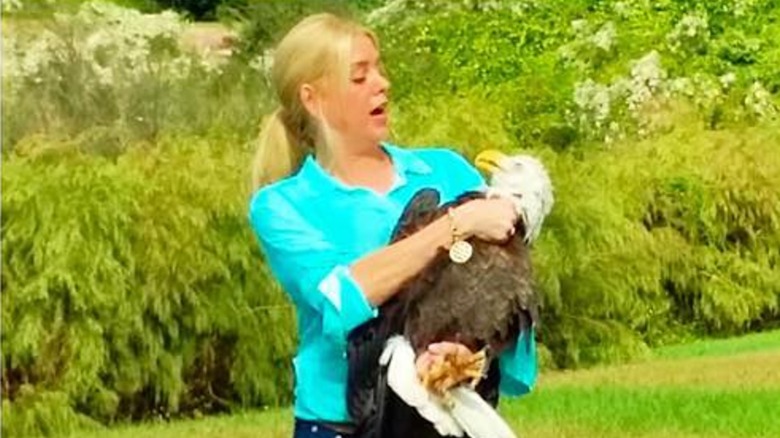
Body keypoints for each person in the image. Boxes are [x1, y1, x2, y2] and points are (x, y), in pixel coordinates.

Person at [248, 13, 537, 438]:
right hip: (340, 425)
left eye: (379, 69)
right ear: (313, 98)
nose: (382, 83)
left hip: (446, 417)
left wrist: (469, 353)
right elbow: (341, 296)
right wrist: (455, 224)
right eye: (360, 76)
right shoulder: (283, 205)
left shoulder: (447, 171)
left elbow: (506, 288)